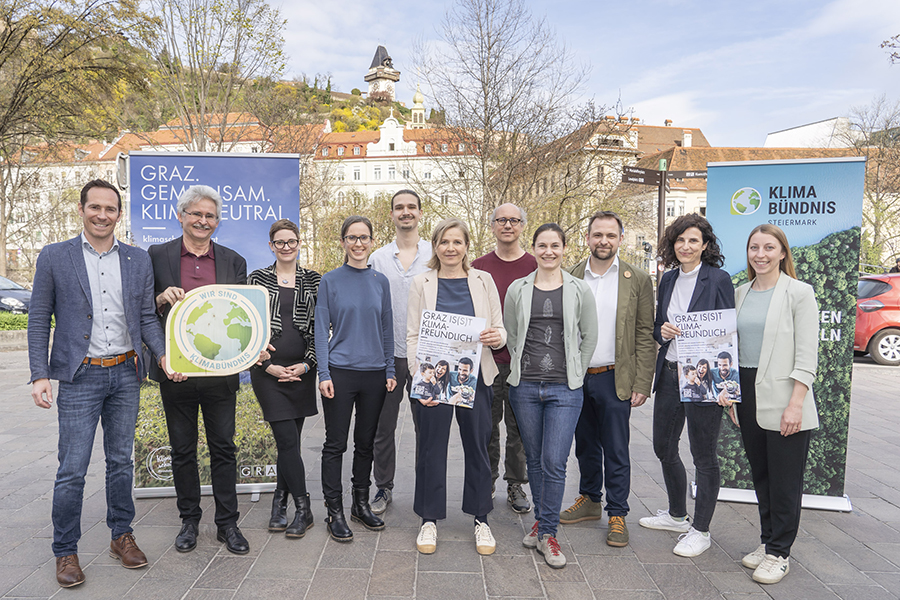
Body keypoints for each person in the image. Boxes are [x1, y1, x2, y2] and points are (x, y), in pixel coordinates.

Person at [28, 180, 171, 588]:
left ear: (119, 214)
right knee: (72, 469)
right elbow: (39, 318)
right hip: (79, 375)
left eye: (110, 209)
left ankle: (121, 535)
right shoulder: (55, 257)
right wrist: (40, 374)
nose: (102, 215)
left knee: (121, 463)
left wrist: (162, 354)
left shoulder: (137, 260)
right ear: (81, 209)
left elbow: (146, 317)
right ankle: (65, 550)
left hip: (127, 372)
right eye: (95, 207)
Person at [149, 185, 250, 556]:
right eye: (196, 214)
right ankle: (189, 521)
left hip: (220, 372)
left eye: (210, 216)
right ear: (181, 216)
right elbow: (143, 308)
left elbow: (242, 317)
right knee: (182, 450)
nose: (202, 221)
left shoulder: (233, 260)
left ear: (217, 222)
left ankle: (228, 523)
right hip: (175, 371)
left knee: (224, 447)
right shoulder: (157, 255)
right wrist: (161, 298)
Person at [407, 218, 506, 556]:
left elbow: (499, 328)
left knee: (478, 447)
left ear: (467, 246)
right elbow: (412, 335)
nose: (450, 248)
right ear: (435, 246)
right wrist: (421, 380)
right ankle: (428, 519)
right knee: (431, 449)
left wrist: (497, 337)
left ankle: (481, 520)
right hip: (434, 379)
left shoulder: (483, 280)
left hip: (475, 378)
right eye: (444, 242)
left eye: (457, 242)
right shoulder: (422, 282)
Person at [639, 213, 734, 558]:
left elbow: (727, 334)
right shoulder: (666, 280)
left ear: (705, 245)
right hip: (669, 371)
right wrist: (660, 331)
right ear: (672, 244)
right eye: (680, 240)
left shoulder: (719, 279)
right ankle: (678, 515)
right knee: (663, 447)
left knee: (703, 454)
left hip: (704, 377)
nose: (686, 246)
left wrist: (729, 387)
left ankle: (701, 530)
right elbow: (657, 327)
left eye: (693, 240)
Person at [559, 211, 655, 548]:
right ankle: (589, 499)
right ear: (587, 238)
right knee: (584, 444)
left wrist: (643, 382)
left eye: (610, 236)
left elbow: (645, 334)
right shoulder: (569, 275)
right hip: (577, 376)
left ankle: (617, 513)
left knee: (616, 448)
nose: (604, 241)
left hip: (616, 376)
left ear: (620, 239)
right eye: (598, 235)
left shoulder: (638, 279)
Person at [505, 223, 598, 568]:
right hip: (525, 386)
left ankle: (548, 533)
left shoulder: (579, 289)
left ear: (563, 248)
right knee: (534, 459)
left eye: (555, 245)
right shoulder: (518, 289)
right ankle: (543, 525)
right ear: (534, 248)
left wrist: (576, 371)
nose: (548, 251)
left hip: (565, 388)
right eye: (542, 245)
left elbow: (589, 336)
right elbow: (513, 334)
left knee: (555, 461)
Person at [731, 224, 819, 584]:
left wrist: (796, 403)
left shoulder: (799, 293)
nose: (761, 254)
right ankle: (768, 542)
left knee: (785, 481)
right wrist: (732, 394)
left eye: (769, 247)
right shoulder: (739, 293)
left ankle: (780, 553)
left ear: (783, 252)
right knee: (762, 475)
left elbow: (807, 355)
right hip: (747, 392)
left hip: (786, 396)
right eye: (754, 247)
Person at [315, 215, 396, 542]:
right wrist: (323, 373)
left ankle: (360, 503)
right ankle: (333, 509)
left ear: (372, 242)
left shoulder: (380, 281)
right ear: (343, 242)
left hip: (375, 374)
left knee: (366, 444)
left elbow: (388, 328)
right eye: (352, 237)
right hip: (340, 373)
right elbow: (321, 330)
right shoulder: (330, 281)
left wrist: (390, 369)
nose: (358, 243)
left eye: (364, 237)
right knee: (336, 444)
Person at [248, 219, 321, 538]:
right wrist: (268, 366)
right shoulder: (256, 279)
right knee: (288, 440)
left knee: (287, 444)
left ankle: (279, 502)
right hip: (269, 372)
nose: (286, 247)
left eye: (291, 241)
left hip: (302, 372)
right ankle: (304, 510)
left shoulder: (315, 280)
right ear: (271, 246)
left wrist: (307, 365)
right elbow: (245, 328)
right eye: (280, 242)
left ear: (299, 242)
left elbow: (323, 328)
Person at [367, 190, 432, 514]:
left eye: (411, 207)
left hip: (426, 354)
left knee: (427, 426)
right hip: (387, 355)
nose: (405, 212)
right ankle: (383, 487)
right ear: (391, 214)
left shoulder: (436, 254)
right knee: (383, 426)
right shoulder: (377, 257)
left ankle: (426, 489)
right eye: (399, 208)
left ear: (420, 213)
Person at [472, 203, 536, 513]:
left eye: (513, 220)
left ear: (523, 225)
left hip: (524, 361)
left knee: (519, 427)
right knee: (486, 426)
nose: (507, 225)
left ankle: (515, 485)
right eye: (501, 220)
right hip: (486, 359)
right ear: (493, 225)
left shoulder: (536, 266)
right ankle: (487, 481)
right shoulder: (478, 267)